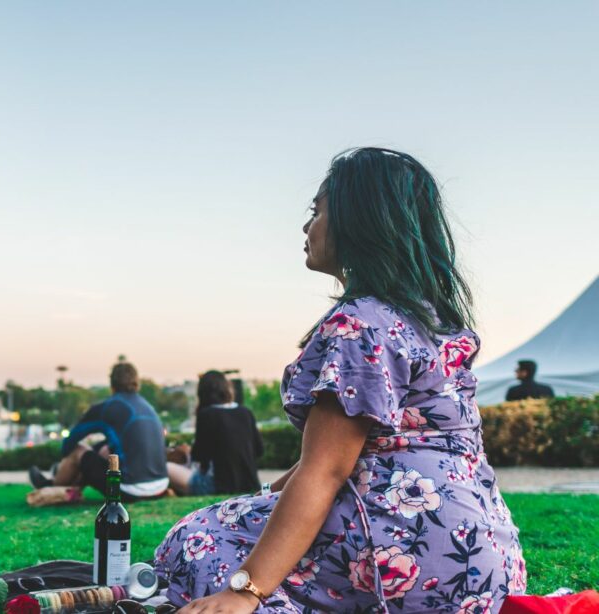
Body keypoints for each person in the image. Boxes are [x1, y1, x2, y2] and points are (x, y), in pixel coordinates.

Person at [157, 148, 526, 613]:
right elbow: (339, 455)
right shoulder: (431, 322)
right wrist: (266, 499)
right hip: (485, 563)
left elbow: (326, 470)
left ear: (358, 221)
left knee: (198, 537)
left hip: (408, 551)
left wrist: (243, 591)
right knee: (246, 515)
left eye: (316, 211)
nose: (305, 227)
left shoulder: (360, 323)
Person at [29, 362, 169, 500]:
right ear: (137, 383)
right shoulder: (149, 407)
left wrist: (73, 462)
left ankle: (52, 486)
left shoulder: (107, 408)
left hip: (129, 489)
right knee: (103, 449)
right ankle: (69, 486)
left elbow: (69, 442)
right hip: (160, 486)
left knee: (78, 451)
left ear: (112, 385)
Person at [166, 370, 263, 496]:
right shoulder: (246, 412)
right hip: (250, 484)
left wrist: (188, 452)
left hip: (217, 485)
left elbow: (200, 456)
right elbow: (259, 450)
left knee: (166, 467)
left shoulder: (207, 414)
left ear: (202, 392)